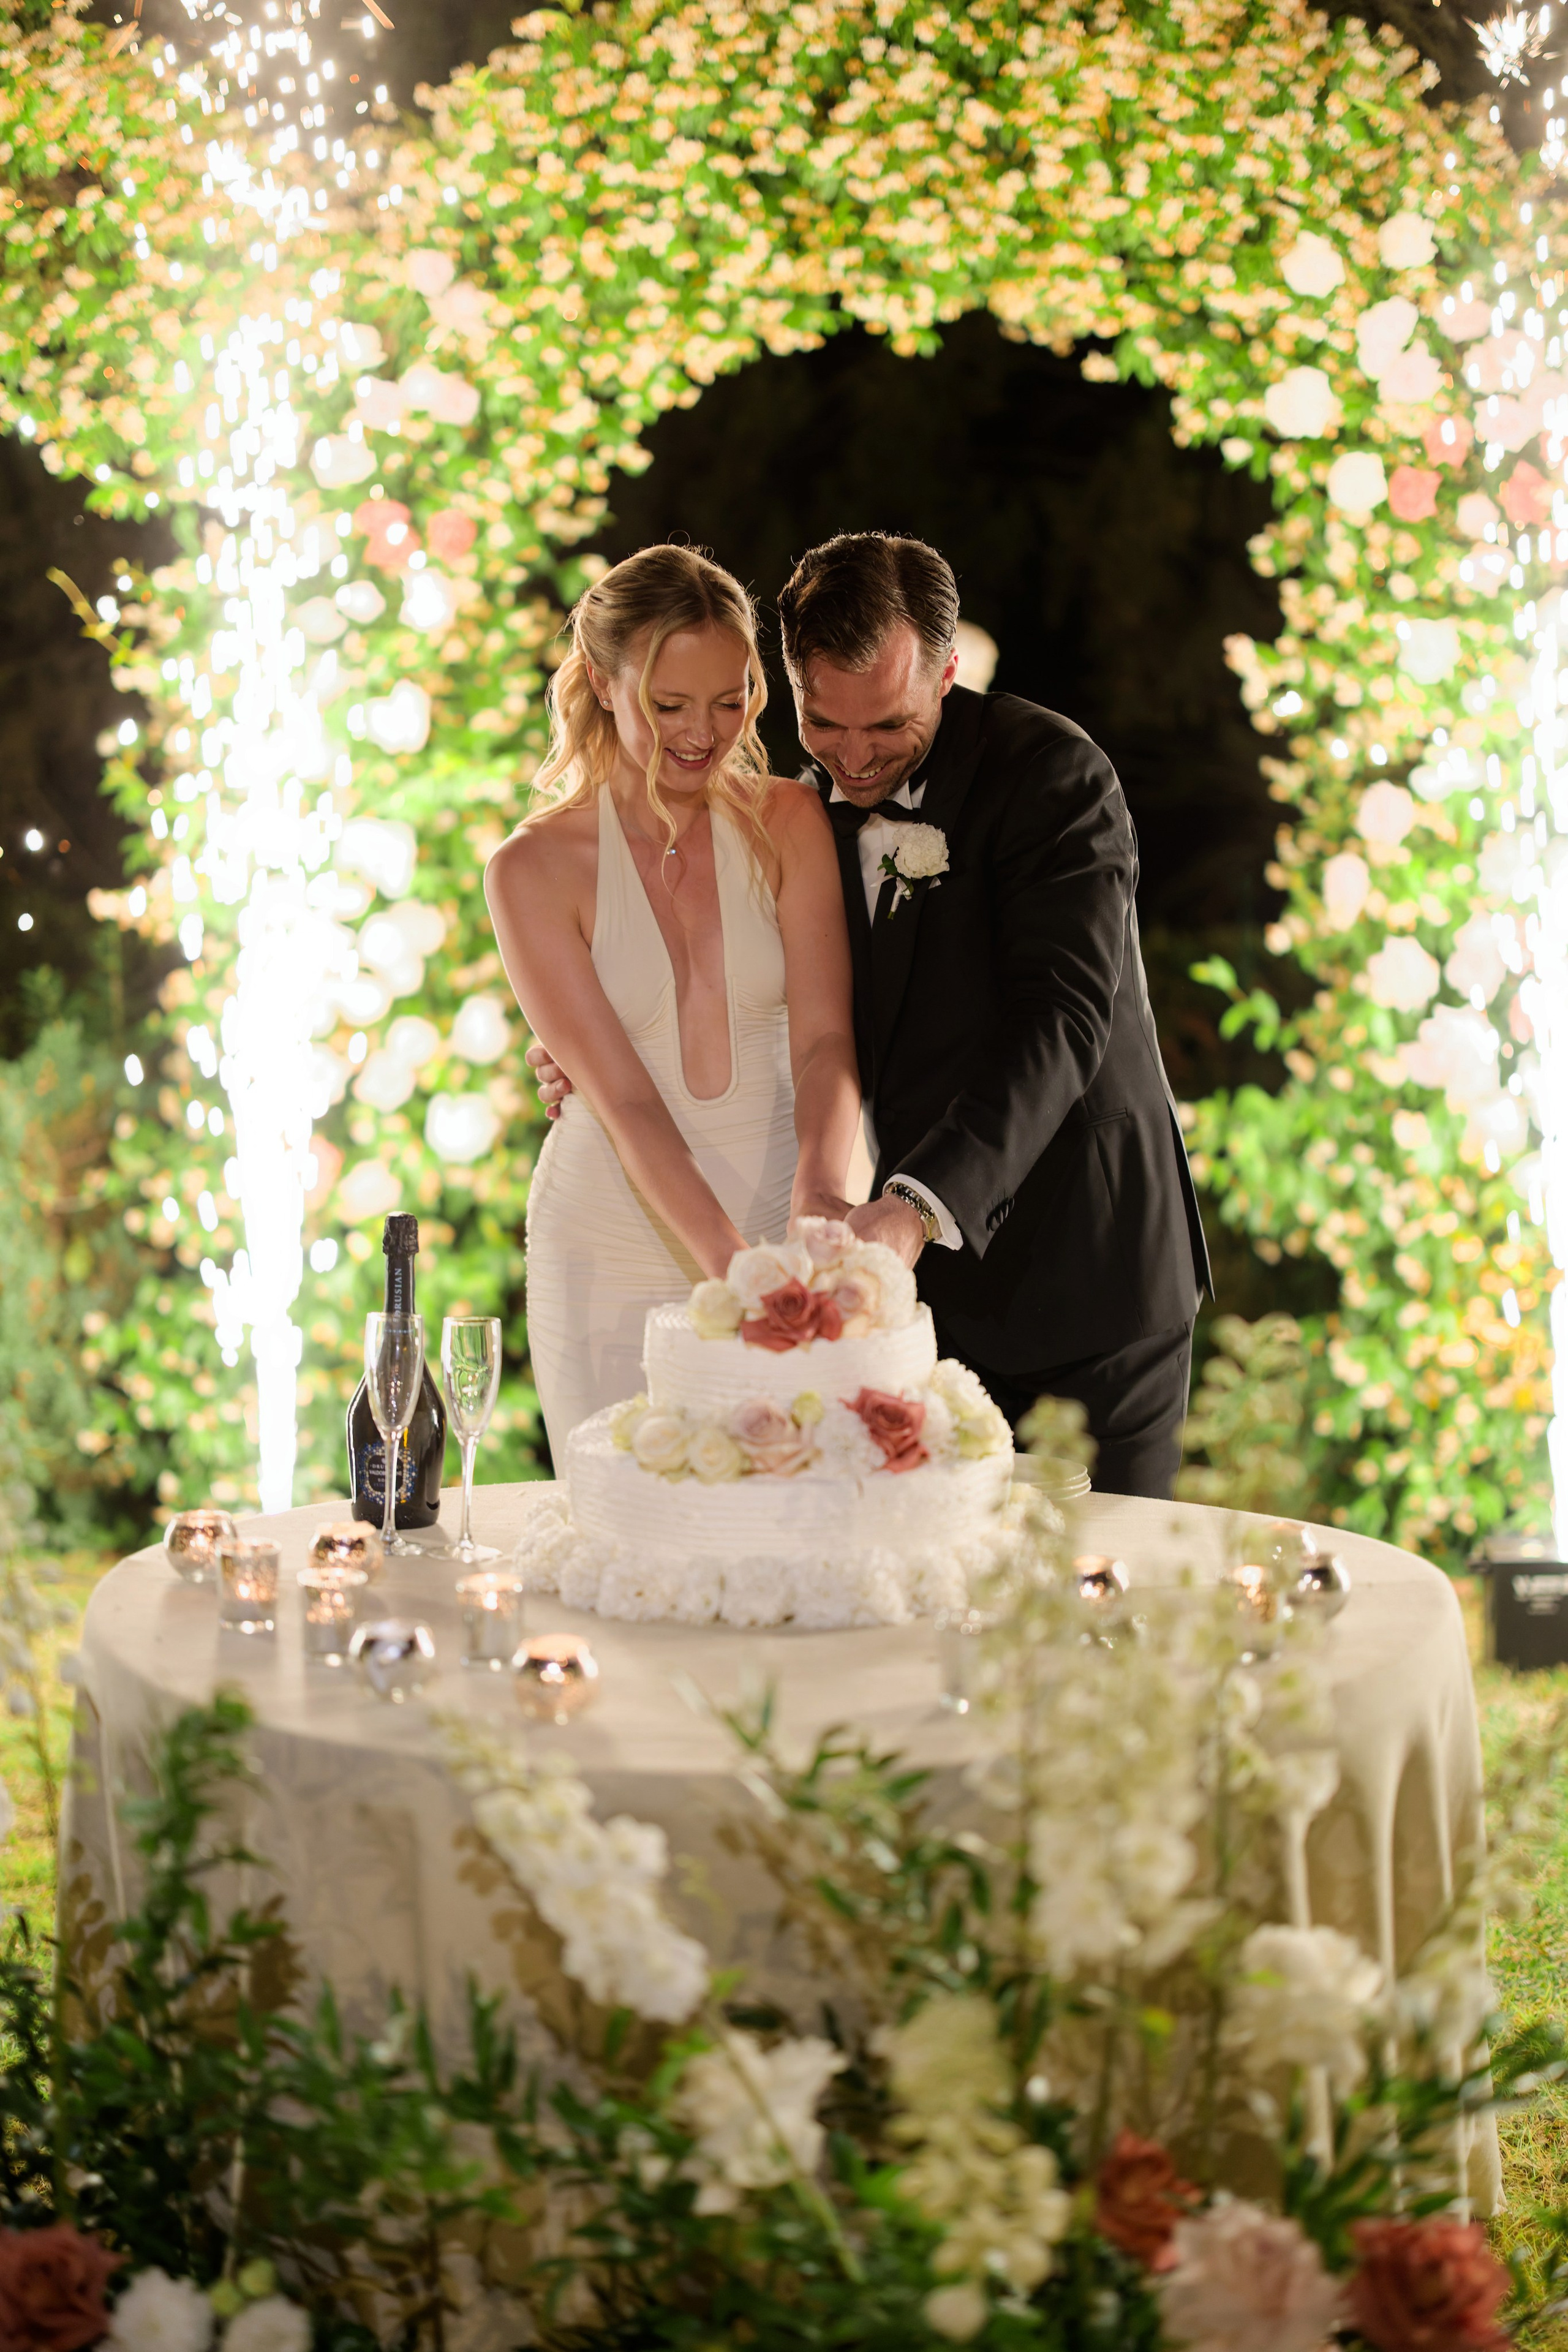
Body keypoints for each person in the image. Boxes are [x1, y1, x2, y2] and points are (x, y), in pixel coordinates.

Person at [532, 531, 1209, 1497]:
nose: (854, 758)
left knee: (1097, 1602)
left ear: (946, 671)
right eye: (823, 723)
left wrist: (920, 1205)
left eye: (887, 727)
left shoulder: (1052, 774)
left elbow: (1059, 1019)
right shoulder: (797, 813)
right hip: (914, 1304)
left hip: (1085, 1278)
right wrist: (585, 1035)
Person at [486, 545, 860, 1468]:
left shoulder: (788, 822)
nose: (705, 732)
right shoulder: (532, 870)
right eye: (670, 705)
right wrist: (736, 1278)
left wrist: (817, 1204)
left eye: (731, 700)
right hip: (612, 1240)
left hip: (790, 1212)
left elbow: (824, 1041)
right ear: (602, 685)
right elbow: (626, 1103)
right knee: (631, 1537)